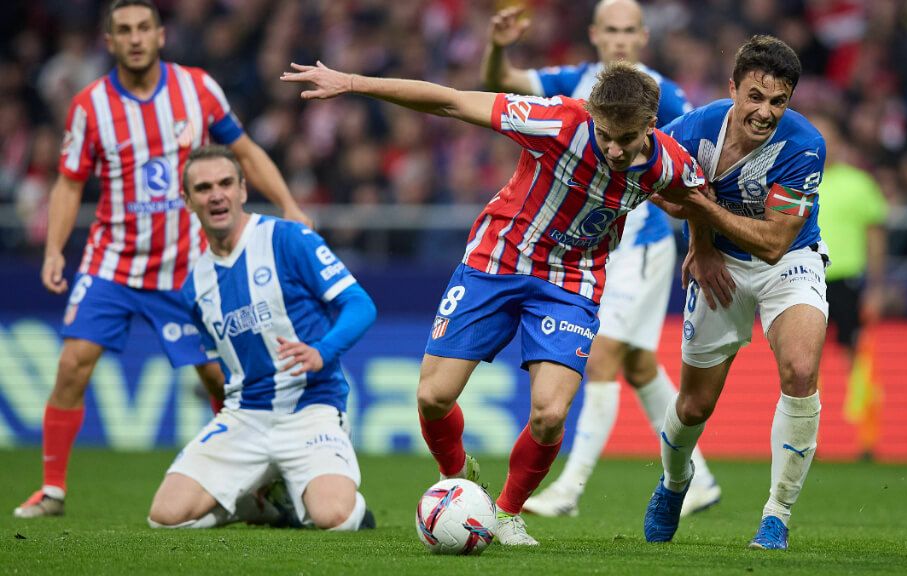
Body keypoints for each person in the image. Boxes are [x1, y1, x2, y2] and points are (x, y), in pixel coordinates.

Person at [282, 59, 708, 545]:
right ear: (592, 114)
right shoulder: (557, 121)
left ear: (650, 127)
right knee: (432, 397)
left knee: (550, 415)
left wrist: (702, 247)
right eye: (605, 134)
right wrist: (354, 82)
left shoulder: (670, 161)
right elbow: (451, 99)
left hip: (572, 280)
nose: (613, 148)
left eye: (626, 138)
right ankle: (459, 477)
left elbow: (696, 198)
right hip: (496, 261)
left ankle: (505, 512)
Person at [14, 0, 311, 519]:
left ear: (161, 35)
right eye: (123, 30)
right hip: (113, 264)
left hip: (188, 268)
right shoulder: (90, 105)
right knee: (70, 366)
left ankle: (250, 486)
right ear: (110, 42)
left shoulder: (197, 89)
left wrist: (288, 204)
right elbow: (69, 182)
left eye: (143, 28)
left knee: (222, 380)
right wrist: (55, 249)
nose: (134, 38)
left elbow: (243, 152)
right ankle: (53, 489)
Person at [481, 0, 720, 519]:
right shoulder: (574, 80)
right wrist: (499, 43)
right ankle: (697, 478)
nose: (618, 40)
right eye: (610, 30)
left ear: (642, 36)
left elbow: (691, 172)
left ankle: (570, 488)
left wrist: (698, 239)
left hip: (641, 244)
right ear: (595, 34)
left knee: (604, 357)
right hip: (588, 247)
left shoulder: (665, 94)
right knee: (636, 363)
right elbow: (500, 79)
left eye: (628, 31)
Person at [643, 35, 828, 550]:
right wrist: (700, 245)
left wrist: (699, 213)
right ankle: (675, 483)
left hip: (788, 264)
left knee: (800, 370)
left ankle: (777, 514)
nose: (765, 112)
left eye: (778, 101)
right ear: (733, 90)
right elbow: (659, 182)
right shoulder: (695, 127)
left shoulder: (805, 145)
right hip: (719, 265)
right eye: (755, 96)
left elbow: (773, 242)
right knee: (695, 405)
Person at [148, 145, 376, 531]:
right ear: (187, 200)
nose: (216, 194)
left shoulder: (288, 240)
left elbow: (360, 305)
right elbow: (218, 371)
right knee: (164, 517)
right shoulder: (195, 286)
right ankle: (260, 502)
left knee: (334, 518)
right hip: (246, 415)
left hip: (311, 408)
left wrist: (322, 352)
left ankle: (326, 499)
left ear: (242, 189)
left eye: (225, 183)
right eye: (203, 188)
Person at [811, 113, 888, 460]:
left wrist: (876, 285)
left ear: (839, 143)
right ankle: (807, 436)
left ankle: (867, 439)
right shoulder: (799, 181)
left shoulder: (859, 184)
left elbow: (875, 238)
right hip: (807, 278)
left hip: (847, 280)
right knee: (805, 358)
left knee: (858, 357)